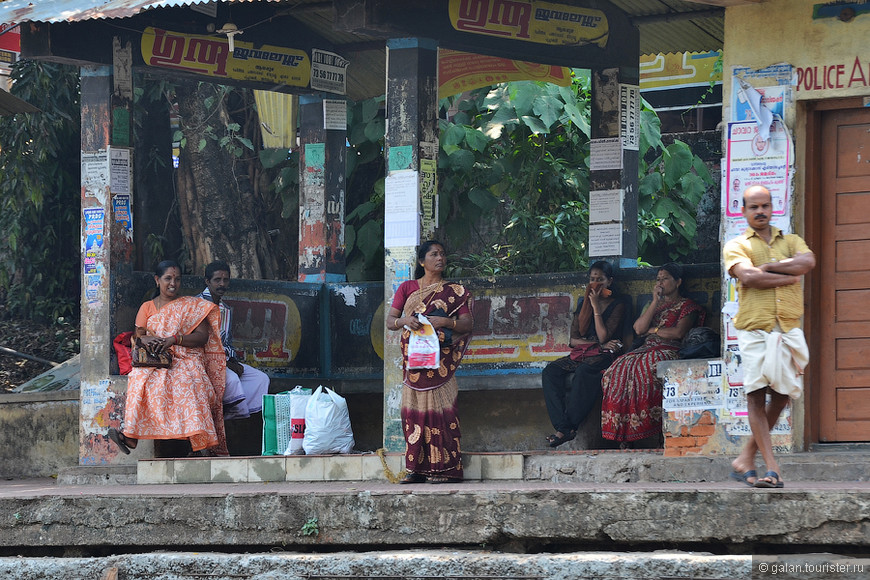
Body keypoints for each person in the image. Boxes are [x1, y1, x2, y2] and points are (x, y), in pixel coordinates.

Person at [724, 185, 815, 489]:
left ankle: (744, 459)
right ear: (743, 210)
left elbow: (808, 262)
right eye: (754, 207)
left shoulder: (789, 240)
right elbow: (749, 277)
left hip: (787, 329)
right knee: (756, 394)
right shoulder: (737, 245)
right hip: (754, 329)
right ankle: (772, 468)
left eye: (765, 206)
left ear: (772, 207)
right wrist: (789, 277)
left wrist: (771, 267)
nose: (760, 211)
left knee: (782, 394)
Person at [108, 260, 228, 457]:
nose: (173, 283)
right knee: (139, 379)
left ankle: (198, 443)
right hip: (154, 360)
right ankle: (130, 436)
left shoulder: (192, 306)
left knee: (188, 381)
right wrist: (149, 339)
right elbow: (138, 334)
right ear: (157, 280)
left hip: (184, 358)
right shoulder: (147, 307)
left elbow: (202, 337)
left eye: (177, 279)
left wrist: (173, 340)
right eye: (168, 278)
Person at [386, 241, 473, 484]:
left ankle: (447, 470)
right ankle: (416, 470)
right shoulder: (408, 288)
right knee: (413, 415)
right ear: (422, 261)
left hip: (440, 366)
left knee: (443, 415)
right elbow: (390, 321)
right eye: (434, 254)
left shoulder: (454, 291)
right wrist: (405, 321)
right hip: (414, 364)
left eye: (443, 254)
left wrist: (445, 323)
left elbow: (467, 324)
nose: (440, 258)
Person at [600, 263, 706, 445]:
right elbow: (639, 329)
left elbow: (677, 333)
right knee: (615, 369)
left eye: (665, 279)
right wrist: (655, 301)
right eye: (658, 279)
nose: (660, 283)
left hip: (670, 349)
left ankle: (653, 432)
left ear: (678, 282)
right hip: (645, 349)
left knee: (647, 369)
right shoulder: (653, 305)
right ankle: (624, 435)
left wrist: (654, 329)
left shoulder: (687, 306)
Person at [541, 261, 628, 448]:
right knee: (550, 372)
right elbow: (573, 340)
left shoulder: (618, 304)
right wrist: (598, 343)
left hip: (605, 355)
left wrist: (596, 307)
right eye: (592, 279)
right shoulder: (583, 304)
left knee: (584, 373)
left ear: (609, 282)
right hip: (584, 352)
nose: (595, 284)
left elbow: (605, 335)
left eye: (600, 280)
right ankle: (564, 426)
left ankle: (566, 429)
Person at [198, 261, 271, 421]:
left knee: (261, 379)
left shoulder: (226, 309)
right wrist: (226, 364)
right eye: (217, 280)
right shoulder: (197, 305)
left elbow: (227, 342)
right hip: (204, 362)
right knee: (232, 379)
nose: (222, 284)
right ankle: (230, 413)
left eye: (225, 280)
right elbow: (198, 343)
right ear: (207, 281)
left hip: (225, 362)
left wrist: (232, 361)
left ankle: (233, 414)